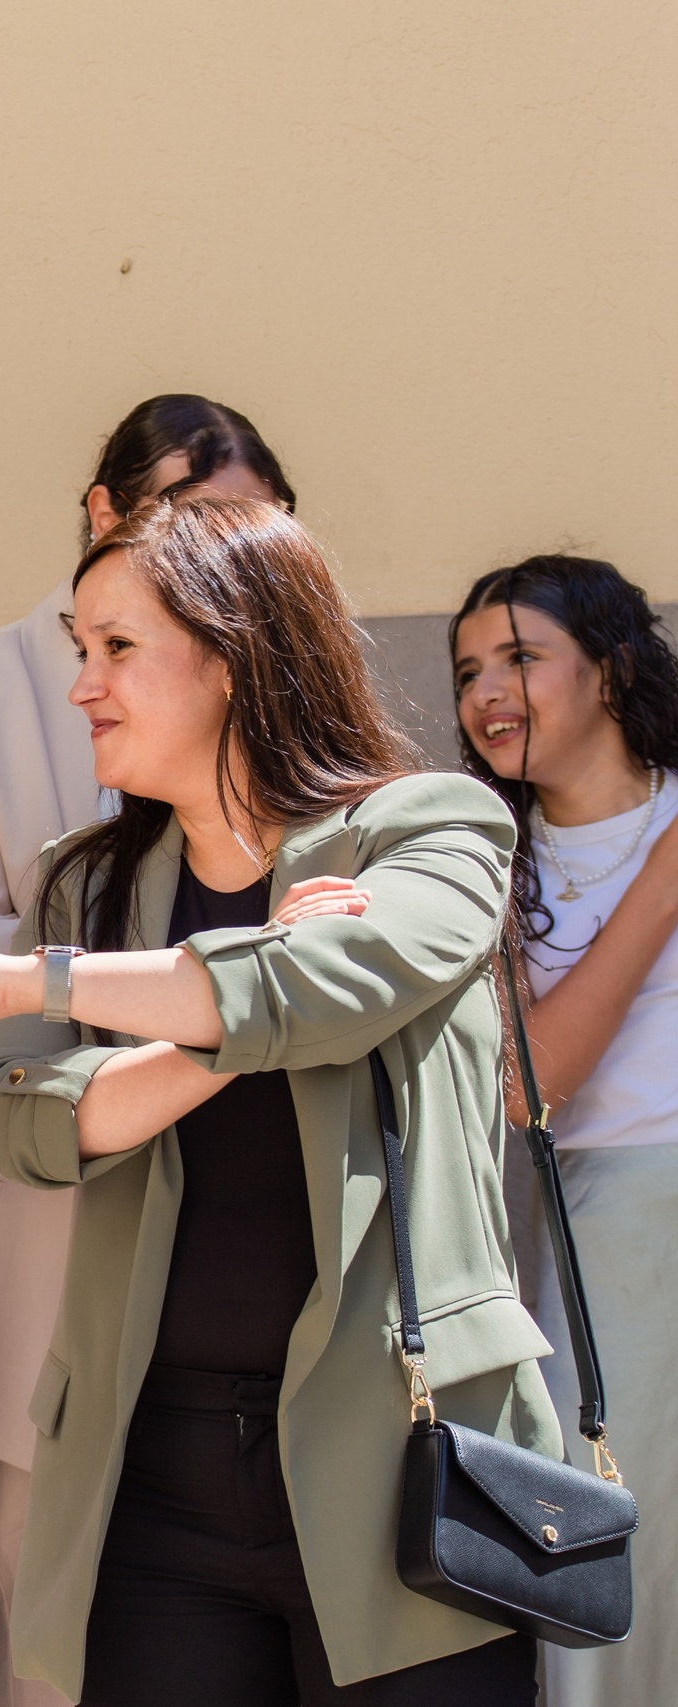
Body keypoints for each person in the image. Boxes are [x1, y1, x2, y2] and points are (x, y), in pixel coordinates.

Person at [0, 495, 551, 1704]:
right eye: (79, 649)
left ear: (232, 656)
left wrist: (36, 981)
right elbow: (32, 1122)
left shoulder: (433, 830)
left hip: (408, 1453)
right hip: (150, 1478)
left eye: (116, 647)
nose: (82, 685)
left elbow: (334, 983)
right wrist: (232, 1032)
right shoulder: (86, 886)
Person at [0, 393, 294, 1707]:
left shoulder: (290, 689)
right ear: (102, 516)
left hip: (266, 1259)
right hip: (46, 1244)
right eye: (194, 525)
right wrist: (206, 999)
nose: (229, 570)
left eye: (258, 533)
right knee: (70, 1635)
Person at [450, 555, 678, 1707]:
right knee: (620, 1548)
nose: (487, 691)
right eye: (467, 672)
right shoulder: (482, 865)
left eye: (519, 657)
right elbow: (529, 1087)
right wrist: (665, 883)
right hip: (609, 1230)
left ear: (611, 669)